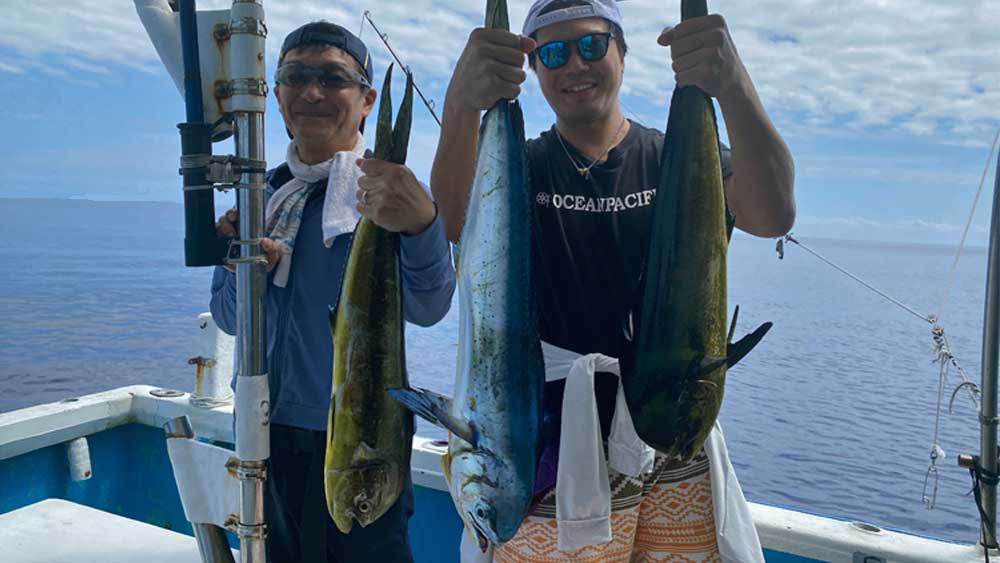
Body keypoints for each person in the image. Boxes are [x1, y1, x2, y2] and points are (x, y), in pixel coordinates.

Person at [430, 1, 794, 562]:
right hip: (550, 440)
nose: (574, 64)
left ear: (622, 54)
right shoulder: (518, 163)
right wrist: (460, 103)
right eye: (552, 53)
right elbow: (454, 222)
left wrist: (733, 84)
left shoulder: (674, 156)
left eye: (592, 45)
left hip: (673, 425)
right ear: (535, 71)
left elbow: (773, 214)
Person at [210, 21, 456, 563]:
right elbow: (229, 320)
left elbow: (431, 306)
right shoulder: (261, 197)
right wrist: (241, 269)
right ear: (276, 95)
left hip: (365, 436)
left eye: (333, 78)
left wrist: (422, 225)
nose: (313, 92)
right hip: (264, 431)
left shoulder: (390, 198)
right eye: (297, 76)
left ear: (367, 100)